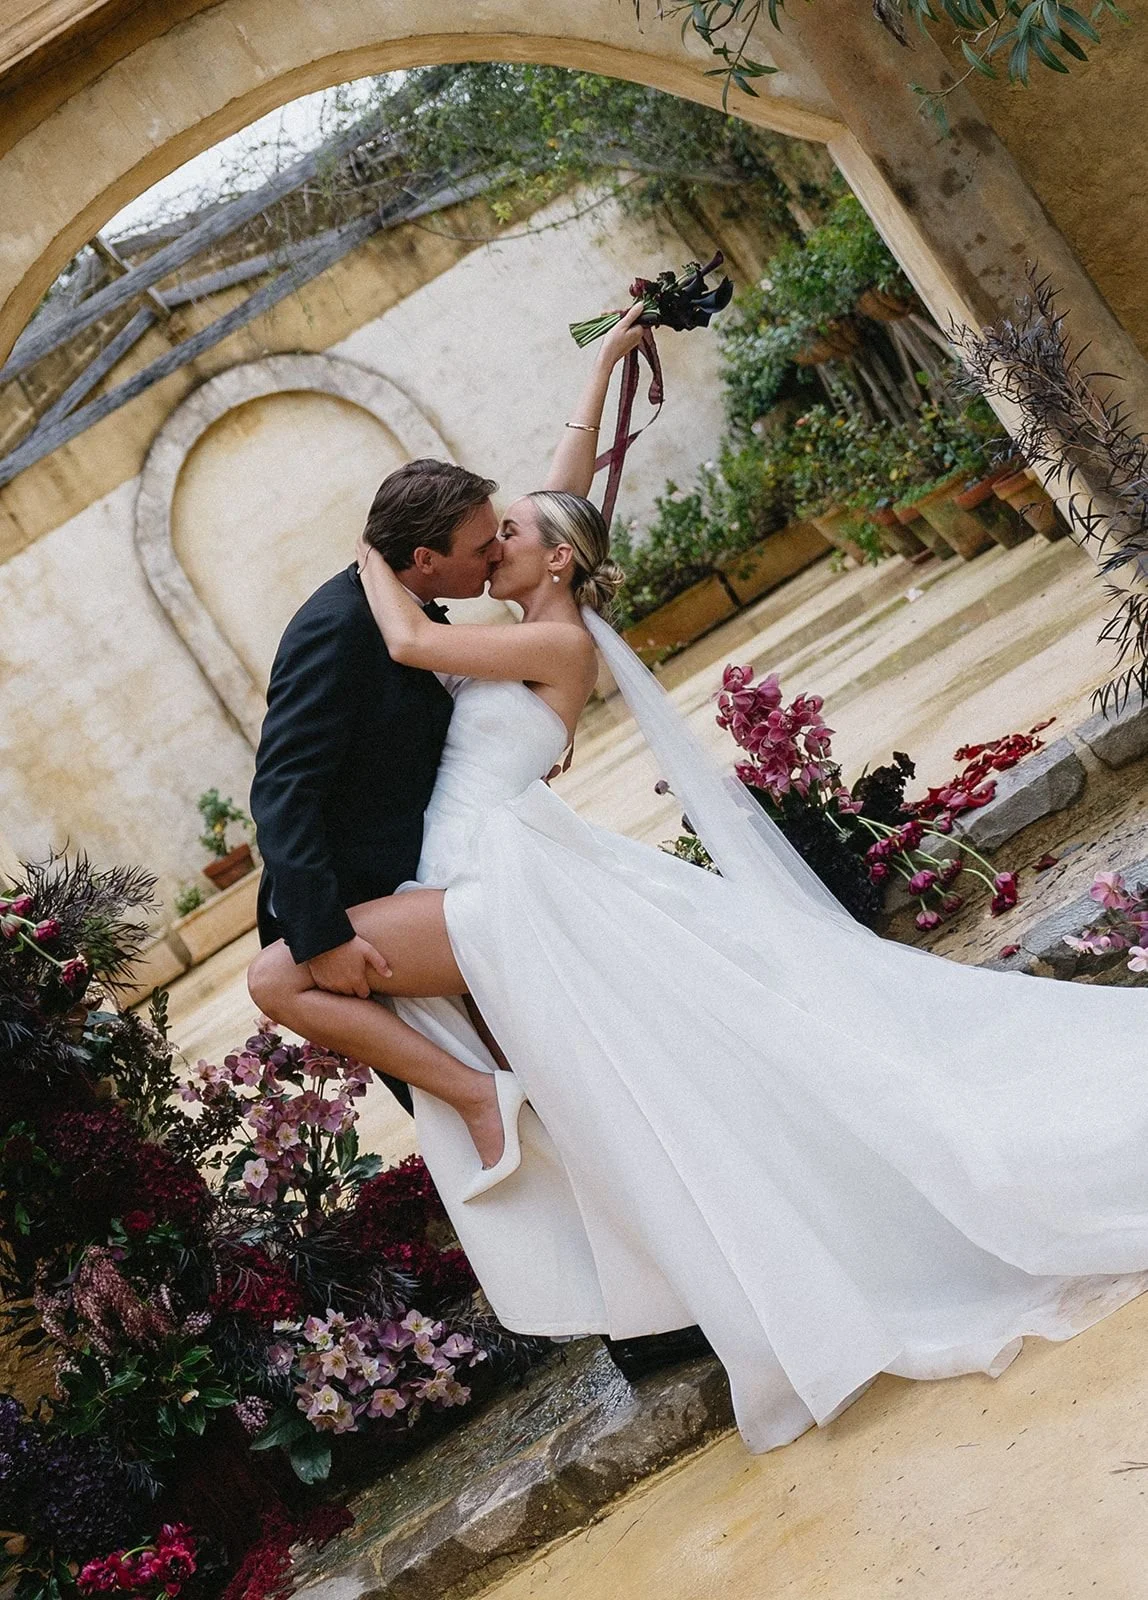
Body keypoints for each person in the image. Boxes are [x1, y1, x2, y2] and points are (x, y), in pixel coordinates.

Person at [248, 339, 1148, 1459]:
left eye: (508, 542)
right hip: (501, 875)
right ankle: (648, 1287)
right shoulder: (517, 618)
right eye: (483, 541)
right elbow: (559, 484)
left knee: (288, 976)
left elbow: (409, 633)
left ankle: (499, 1115)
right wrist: (604, 369)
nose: (495, 552)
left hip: (507, 883)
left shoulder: (539, 640)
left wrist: (371, 556)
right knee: (642, 1092)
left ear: (549, 565)